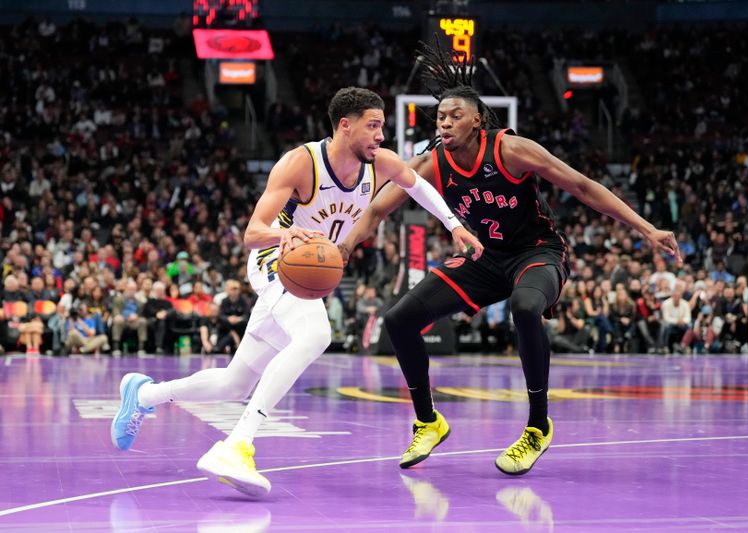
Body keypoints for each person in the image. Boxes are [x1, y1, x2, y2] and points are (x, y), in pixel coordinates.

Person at [110, 87, 482, 498]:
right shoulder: (300, 163)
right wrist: (286, 233)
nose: (381, 135)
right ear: (346, 125)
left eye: (382, 127)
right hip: (275, 261)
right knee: (316, 334)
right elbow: (252, 234)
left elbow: (417, 185)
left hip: (306, 273)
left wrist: (455, 225)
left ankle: (143, 394)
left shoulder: (380, 163)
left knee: (234, 384)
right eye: (373, 126)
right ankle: (237, 445)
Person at [339, 43, 681, 476]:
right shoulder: (430, 163)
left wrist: (646, 228)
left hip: (537, 253)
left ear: (478, 119)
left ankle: (538, 426)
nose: (445, 123)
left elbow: (582, 186)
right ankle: (428, 421)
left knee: (523, 307)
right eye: (441, 117)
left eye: (455, 116)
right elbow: (375, 210)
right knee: (398, 320)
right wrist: (345, 247)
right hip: (484, 257)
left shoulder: (511, 150)